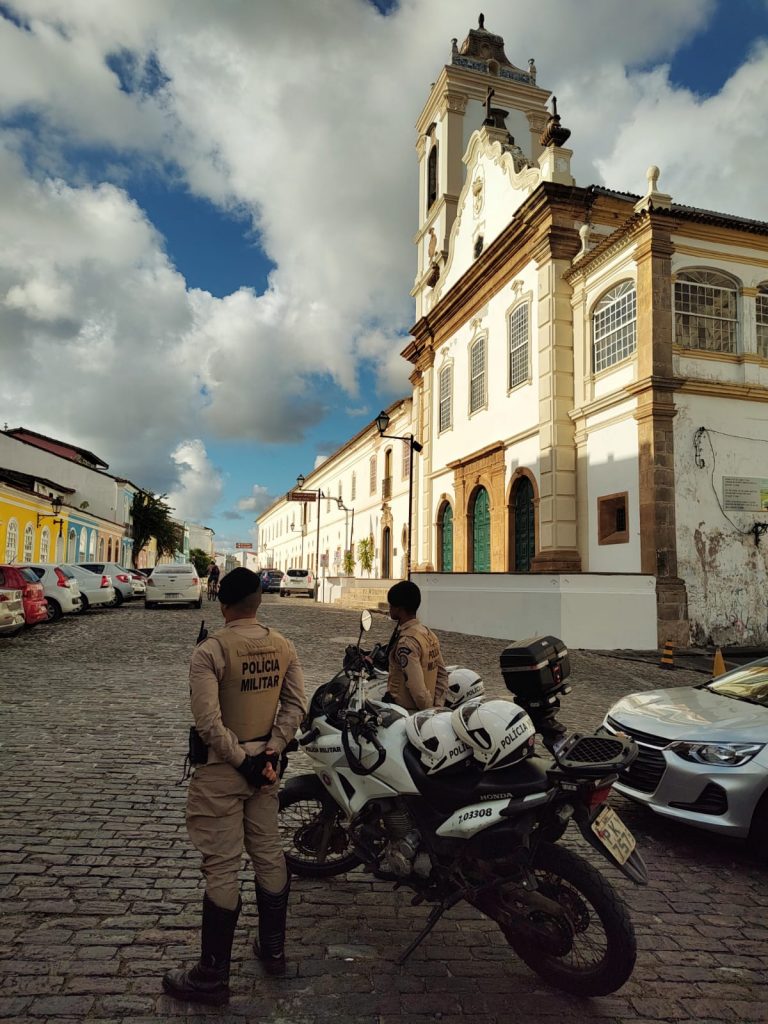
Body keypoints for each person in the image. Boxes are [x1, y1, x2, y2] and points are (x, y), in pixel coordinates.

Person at [163, 567, 306, 1006]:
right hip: (266, 770)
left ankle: (212, 974)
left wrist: (243, 760)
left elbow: (208, 722)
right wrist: (273, 751)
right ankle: (275, 949)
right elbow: (295, 704)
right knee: (268, 853)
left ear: (222, 604)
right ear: (258, 601)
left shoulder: (211, 651)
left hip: (225, 772)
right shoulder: (282, 645)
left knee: (222, 867)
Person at [384, 579, 448, 711]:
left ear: (400, 609)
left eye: (391, 606)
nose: (389, 609)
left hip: (406, 712)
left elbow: (417, 689)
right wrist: (438, 705)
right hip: (427, 710)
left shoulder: (407, 643)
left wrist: (429, 713)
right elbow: (442, 675)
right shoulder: (428, 634)